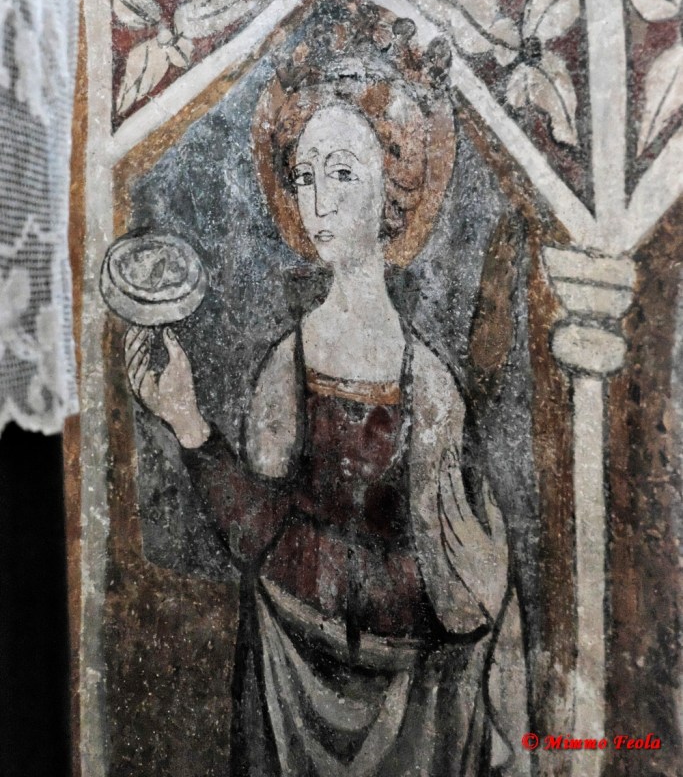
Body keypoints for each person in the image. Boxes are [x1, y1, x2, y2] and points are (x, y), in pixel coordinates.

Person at [124, 46, 530, 776]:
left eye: (342, 174)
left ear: (393, 192)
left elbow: (458, 591)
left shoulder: (428, 382)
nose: (319, 203)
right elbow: (260, 535)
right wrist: (186, 421)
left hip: (412, 701)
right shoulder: (289, 363)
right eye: (305, 177)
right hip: (287, 676)